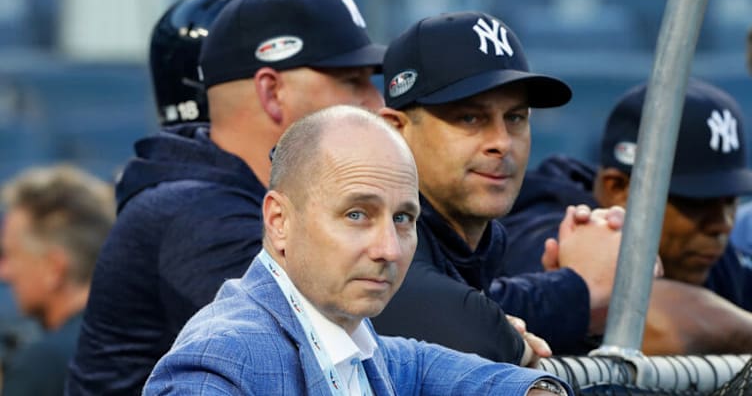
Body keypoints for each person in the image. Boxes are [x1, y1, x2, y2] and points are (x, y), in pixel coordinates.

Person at [68, 0, 386, 394]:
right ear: (271, 92)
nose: (377, 105)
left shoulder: (237, 195)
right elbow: (379, 339)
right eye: (351, 81)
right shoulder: (194, 213)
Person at [143, 105, 572, 396]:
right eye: (356, 215)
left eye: (403, 218)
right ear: (279, 221)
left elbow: (417, 365)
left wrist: (538, 388)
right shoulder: (221, 361)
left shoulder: (354, 341)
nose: (388, 249)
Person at [371, 11, 626, 358]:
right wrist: (579, 288)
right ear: (395, 130)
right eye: (470, 118)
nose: (502, 142)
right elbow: (427, 310)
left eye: (515, 118)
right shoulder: (365, 223)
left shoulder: (485, 245)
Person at [498, 78, 752, 353]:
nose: (722, 224)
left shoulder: (707, 253)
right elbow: (649, 322)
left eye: (730, 200)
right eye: (696, 201)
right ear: (617, 188)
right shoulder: (546, 223)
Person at [0, 165, 115, 396]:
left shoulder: (46, 362)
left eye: (11, 255)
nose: (4, 273)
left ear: (54, 268)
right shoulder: (149, 340)